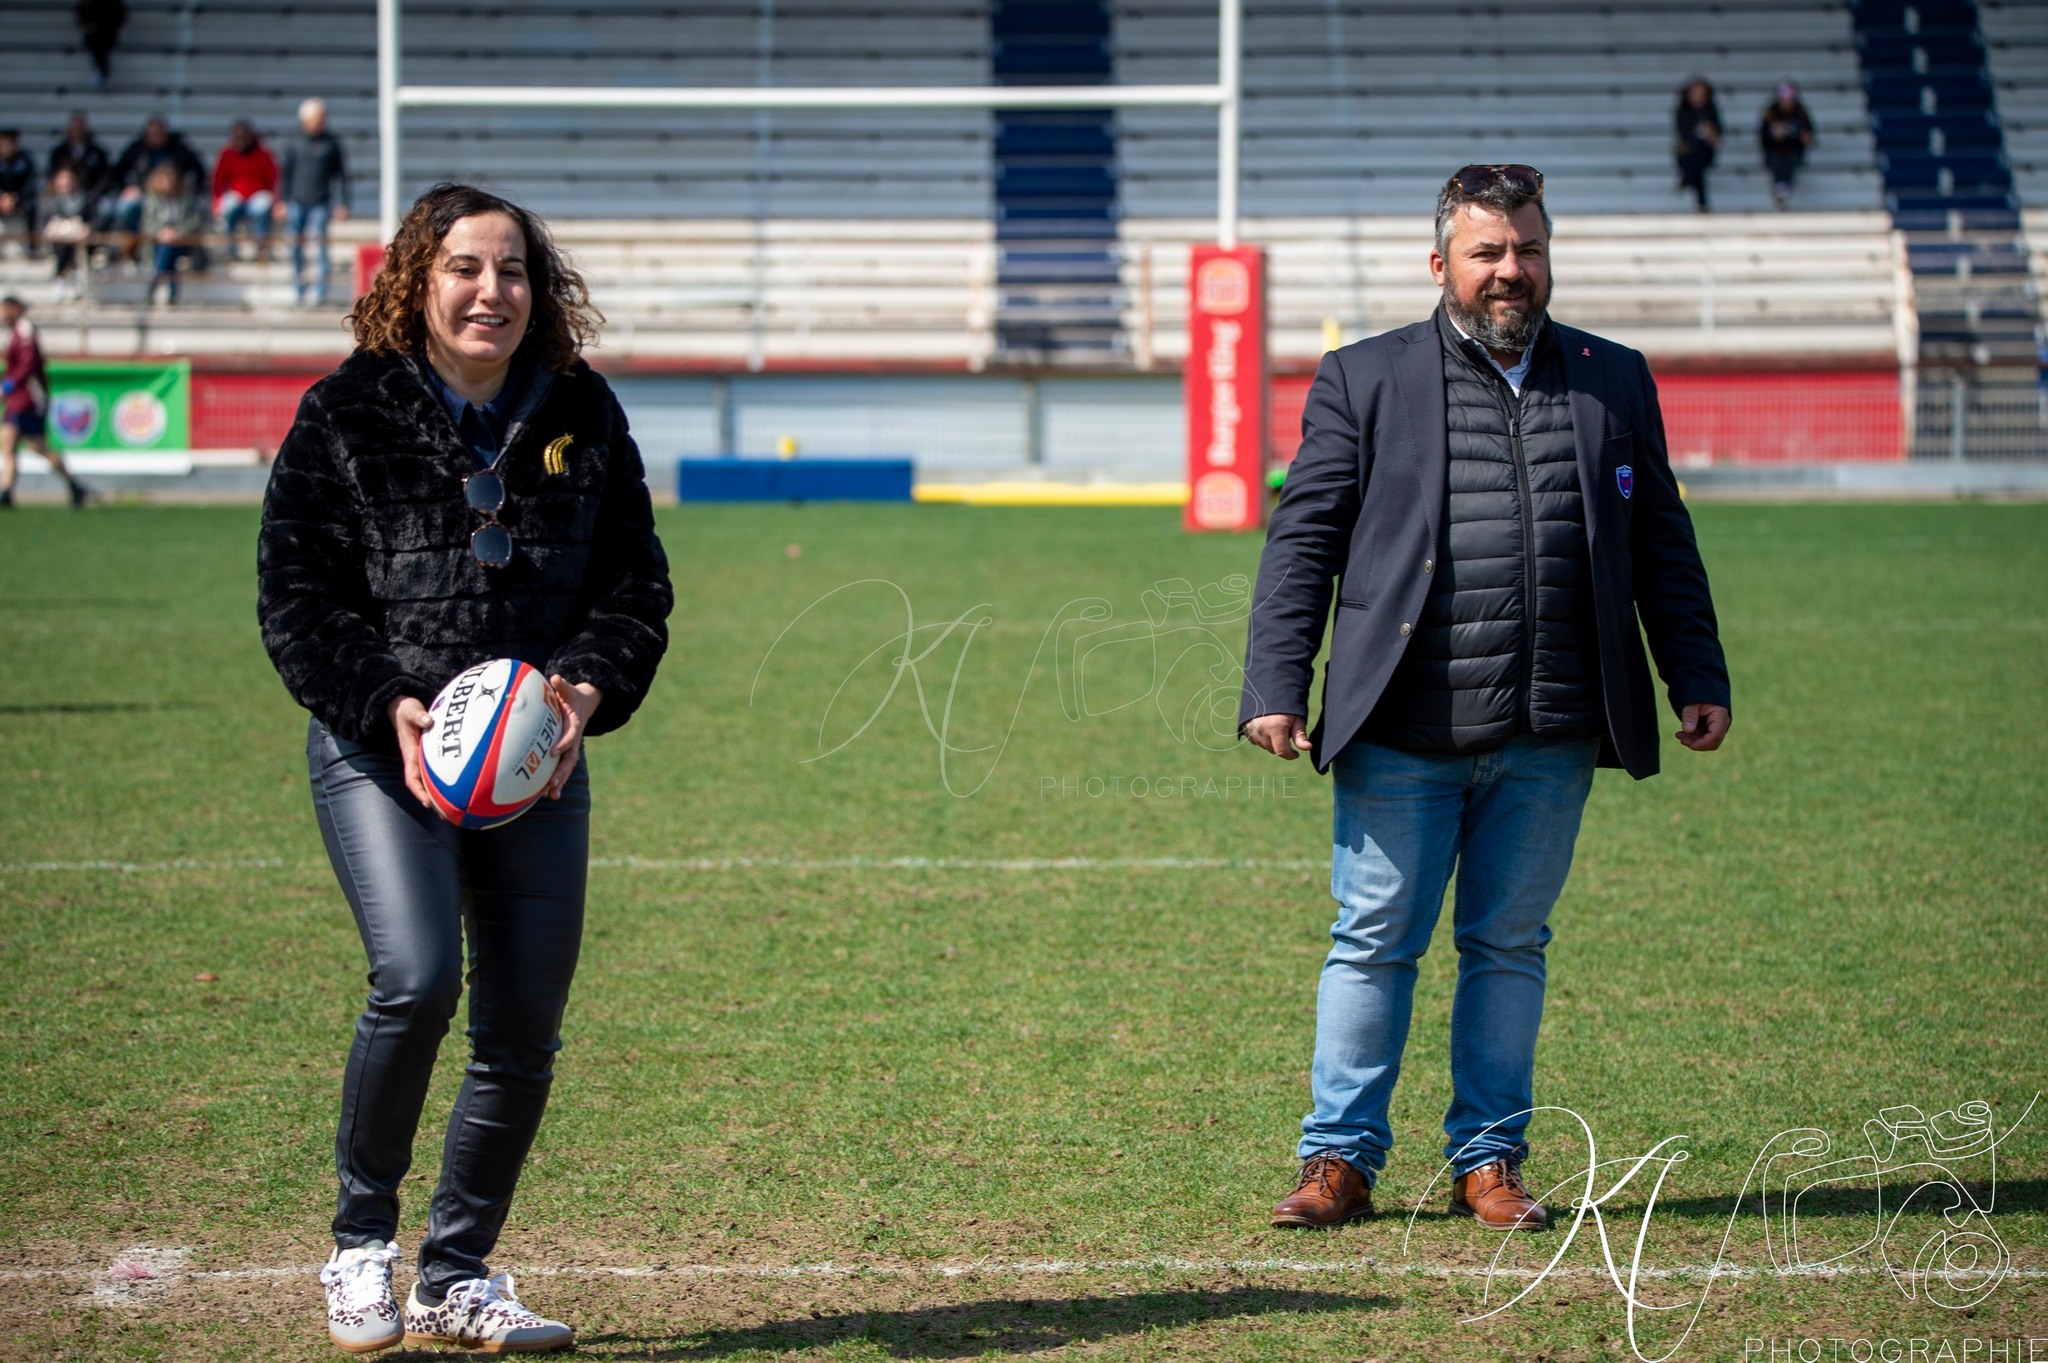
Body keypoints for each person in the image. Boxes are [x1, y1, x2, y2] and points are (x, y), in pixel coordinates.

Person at [1238, 164, 1730, 1233]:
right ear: (1440, 265)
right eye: (1488, 253)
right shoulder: (1361, 378)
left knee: (1508, 945)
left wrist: (1693, 671)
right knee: (1371, 938)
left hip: (1551, 730)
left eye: (1528, 250)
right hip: (1401, 730)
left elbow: (1661, 546)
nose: (1511, 271)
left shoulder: (1613, 378)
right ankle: (1336, 1159)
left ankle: (1488, 1160)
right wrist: (1274, 682)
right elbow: (1301, 543)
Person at [257, 181, 672, 1354]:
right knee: (417, 977)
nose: (490, 291)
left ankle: (456, 1273)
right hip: (380, 752)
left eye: (511, 271)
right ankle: (358, 1245)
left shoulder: (581, 410)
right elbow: (295, 596)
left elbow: (636, 584)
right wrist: (383, 701)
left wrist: (579, 692)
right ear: (414, 282)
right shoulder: (345, 412)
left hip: (535, 762)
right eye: (463, 268)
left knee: (523, 1027)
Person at [0, 296, 91, 507]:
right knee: (8, 441)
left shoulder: (25, 330)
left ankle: (75, 486)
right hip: (17, 399)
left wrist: (8, 386)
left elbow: (27, 364)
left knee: (37, 446)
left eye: (4, 309)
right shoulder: (16, 331)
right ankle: (6, 491)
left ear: (15, 309)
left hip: (29, 398)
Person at [277, 98, 351, 306]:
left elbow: (342, 175)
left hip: (321, 202)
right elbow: (286, 174)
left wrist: (343, 203)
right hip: (297, 202)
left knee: (320, 247)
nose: (322, 122)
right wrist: (282, 200)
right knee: (295, 247)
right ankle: (299, 288)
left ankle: (320, 291)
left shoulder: (331, 144)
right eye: (318, 118)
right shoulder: (294, 143)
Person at [110, 116, 204, 258]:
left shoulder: (179, 150)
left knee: (197, 207)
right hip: (145, 194)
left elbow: (199, 171)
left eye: (158, 134)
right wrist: (127, 187)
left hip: (176, 195)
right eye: (152, 134)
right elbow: (117, 172)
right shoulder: (137, 150)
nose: (155, 138)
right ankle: (133, 245)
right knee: (127, 206)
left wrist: (192, 189)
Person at [212, 120, 278, 259]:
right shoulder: (227, 154)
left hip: (256, 195)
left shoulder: (262, 154)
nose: (241, 140)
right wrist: (217, 199)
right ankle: (230, 248)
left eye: (244, 136)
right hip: (237, 194)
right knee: (229, 205)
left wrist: (275, 199)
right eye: (237, 137)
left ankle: (261, 247)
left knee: (262, 206)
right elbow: (218, 179)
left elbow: (274, 178)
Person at [140, 164, 203, 305]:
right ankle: (173, 294)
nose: (168, 184)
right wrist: (161, 232)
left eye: (171, 180)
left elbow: (195, 221)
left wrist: (178, 232)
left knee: (169, 248)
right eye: (164, 180)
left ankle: (154, 284)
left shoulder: (185, 199)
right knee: (168, 250)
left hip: (183, 242)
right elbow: (147, 224)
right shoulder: (152, 200)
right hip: (157, 244)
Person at [1760, 82, 1817, 209]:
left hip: (1794, 152)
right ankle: (1781, 187)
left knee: (1789, 160)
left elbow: (1810, 138)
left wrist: (1801, 136)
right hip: (1774, 152)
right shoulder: (1770, 113)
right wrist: (1774, 135)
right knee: (1777, 160)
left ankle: (1782, 188)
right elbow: (1763, 139)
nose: (1787, 103)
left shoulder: (1801, 113)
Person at [42, 167, 93, 299]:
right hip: (58, 237)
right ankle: (61, 277)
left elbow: (91, 219)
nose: (66, 186)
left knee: (75, 245)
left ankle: (71, 277)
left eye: (69, 182)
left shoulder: (84, 199)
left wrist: (86, 228)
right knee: (63, 246)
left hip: (77, 235)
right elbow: (43, 221)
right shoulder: (50, 201)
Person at [1674, 78, 1721, 212]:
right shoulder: (1683, 111)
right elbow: (1683, 133)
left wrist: (1709, 133)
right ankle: (1702, 203)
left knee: (1698, 157)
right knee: (1696, 166)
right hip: (1688, 153)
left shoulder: (1710, 111)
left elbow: (1717, 135)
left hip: (1705, 152)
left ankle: (1687, 178)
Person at [0, 131, 37, 257]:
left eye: (7, 143)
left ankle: (32, 245)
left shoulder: (25, 160)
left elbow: (30, 184)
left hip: (20, 200)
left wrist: (15, 197)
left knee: (32, 206)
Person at [75, 0, 127, 89]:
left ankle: (102, 73)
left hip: (107, 32)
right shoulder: (85, 7)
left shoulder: (113, 5)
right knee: (98, 47)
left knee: (100, 47)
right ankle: (102, 73)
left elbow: (120, 14)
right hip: (98, 35)